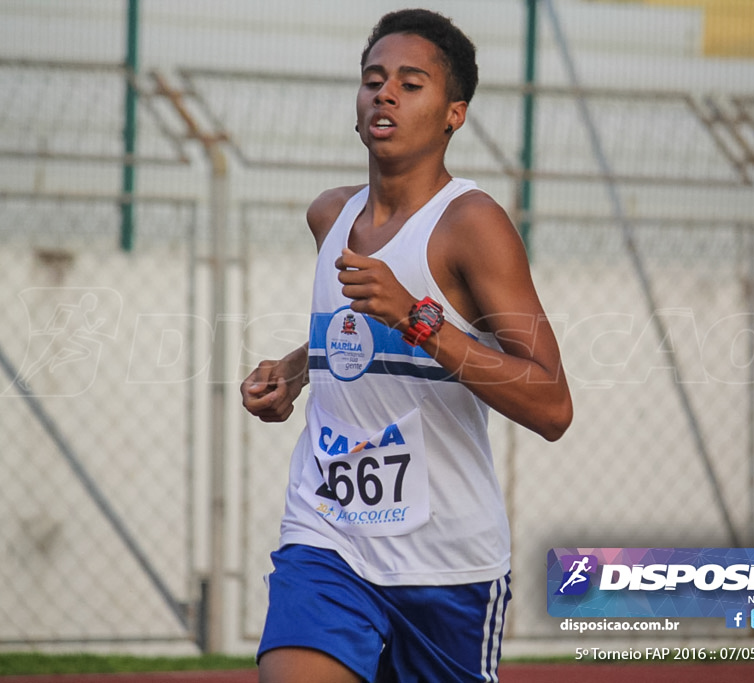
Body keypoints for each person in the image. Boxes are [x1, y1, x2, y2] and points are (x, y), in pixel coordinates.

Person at [241, 9, 573, 683]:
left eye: (410, 83)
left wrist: (419, 318)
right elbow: (357, 325)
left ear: (454, 114)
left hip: (446, 566)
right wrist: (296, 369)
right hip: (328, 535)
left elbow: (551, 403)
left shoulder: (471, 225)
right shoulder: (330, 214)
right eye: (373, 79)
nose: (384, 94)